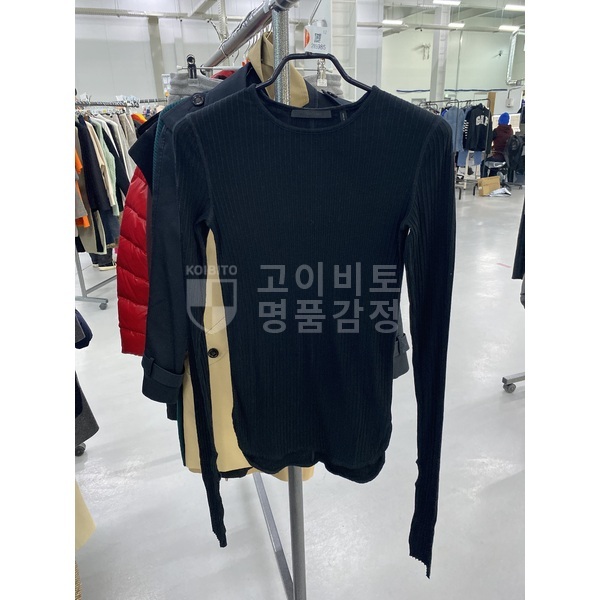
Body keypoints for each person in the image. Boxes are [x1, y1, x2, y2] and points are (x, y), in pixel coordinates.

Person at [483, 112, 514, 177]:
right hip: (507, 158)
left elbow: (488, 141)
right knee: (494, 167)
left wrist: (490, 148)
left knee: (484, 163)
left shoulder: (497, 130)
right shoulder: (511, 131)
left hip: (498, 156)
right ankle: (492, 179)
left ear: (499, 121)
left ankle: (484, 180)